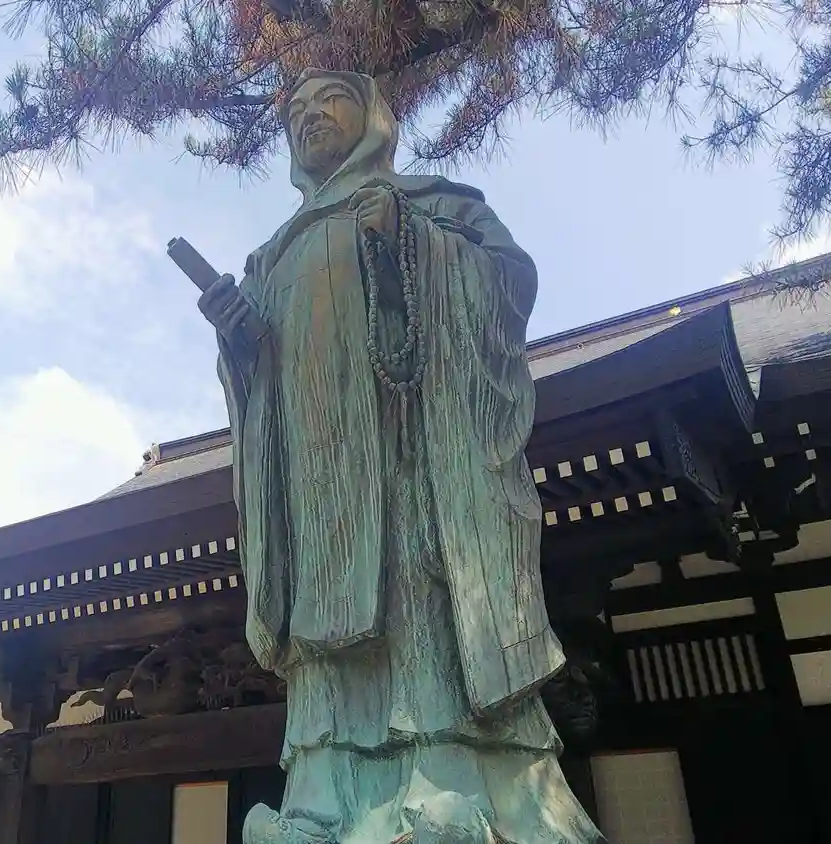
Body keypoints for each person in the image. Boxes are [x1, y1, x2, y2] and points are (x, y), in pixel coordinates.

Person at [197, 68, 605, 844]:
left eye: (330, 98)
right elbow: (262, 381)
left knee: (420, 596)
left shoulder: (435, 202)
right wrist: (238, 338)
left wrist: (409, 242)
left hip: (414, 460)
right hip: (316, 483)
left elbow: (509, 284)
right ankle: (322, 795)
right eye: (296, 108)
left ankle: (451, 779)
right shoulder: (271, 257)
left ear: (374, 116)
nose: (310, 114)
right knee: (324, 630)